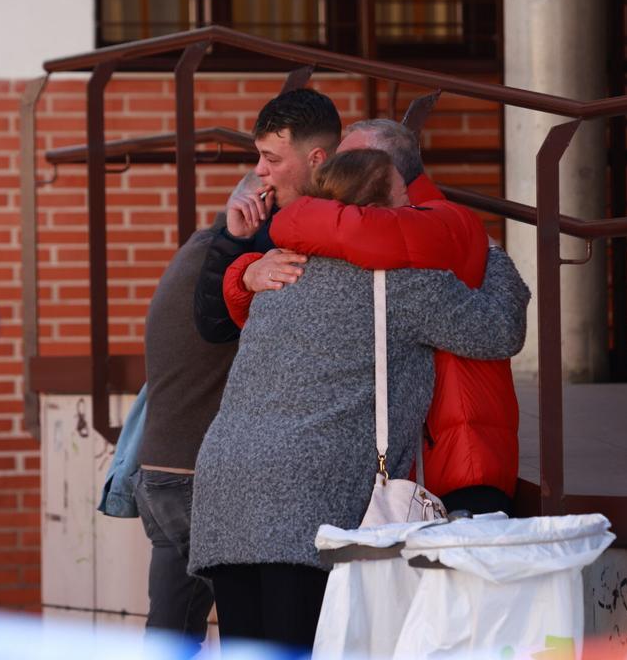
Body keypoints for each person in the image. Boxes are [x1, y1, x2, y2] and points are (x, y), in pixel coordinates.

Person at [189, 149, 531, 651]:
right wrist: (492, 255)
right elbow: (499, 330)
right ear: (380, 213)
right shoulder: (406, 282)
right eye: (404, 199)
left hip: (226, 488)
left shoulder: (281, 268)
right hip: (309, 499)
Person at [224, 119, 521, 516]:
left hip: (456, 462)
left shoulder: (432, 222)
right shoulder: (393, 230)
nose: (333, 173)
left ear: (387, 173)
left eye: (351, 161)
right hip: (413, 458)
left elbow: (343, 234)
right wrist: (244, 271)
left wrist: (264, 246)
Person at [129, 176, 259, 647]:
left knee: (171, 630)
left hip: (157, 473)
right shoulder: (237, 269)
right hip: (195, 476)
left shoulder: (195, 253)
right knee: (252, 621)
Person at [193, 87, 342, 343]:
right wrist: (234, 240)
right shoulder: (264, 216)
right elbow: (214, 329)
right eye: (260, 155)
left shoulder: (358, 214)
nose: (260, 170)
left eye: (271, 159)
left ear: (316, 159)